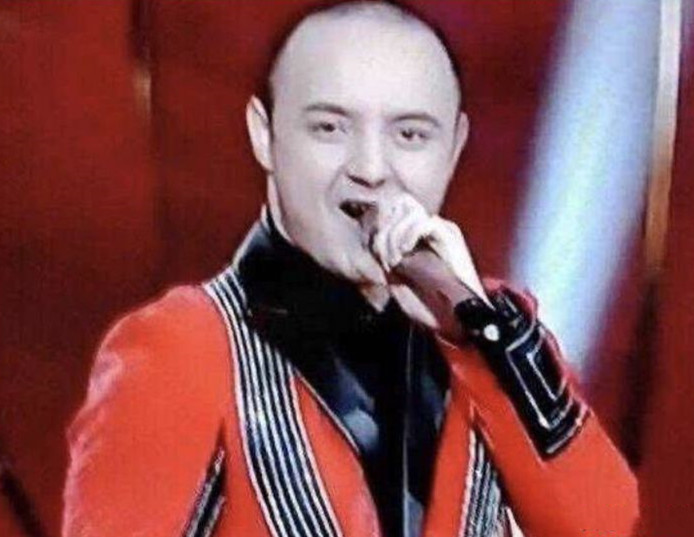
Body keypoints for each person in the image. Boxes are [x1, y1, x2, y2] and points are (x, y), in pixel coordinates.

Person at [62, 2, 639, 537]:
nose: (371, 168)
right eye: (330, 128)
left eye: (410, 134)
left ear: (455, 145)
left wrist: (478, 332)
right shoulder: (181, 345)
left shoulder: (495, 333)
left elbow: (607, 527)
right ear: (264, 134)